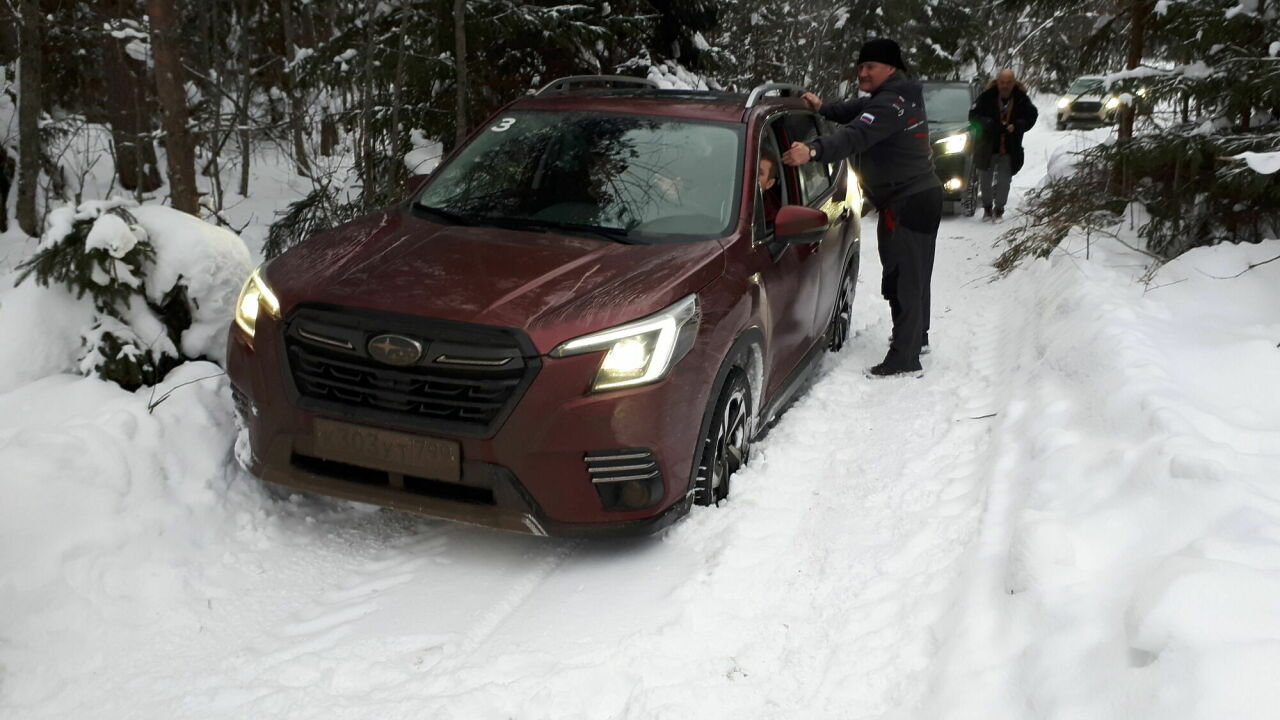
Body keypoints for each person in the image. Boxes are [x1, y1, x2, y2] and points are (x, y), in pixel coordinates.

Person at [782, 38, 942, 378]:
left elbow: (855, 134)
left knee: (903, 279)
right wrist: (823, 108)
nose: (863, 73)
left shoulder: (889, 105)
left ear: (891, 67)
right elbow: (855, 110)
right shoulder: (896, 96)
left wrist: (812, 151)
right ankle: (918, 337)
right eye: (860, 67)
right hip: (919, 196)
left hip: (906, 201)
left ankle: (905, 357)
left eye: (870, 67)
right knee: (916, 274)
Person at [968, 68, 1038, 220]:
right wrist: (987, 124)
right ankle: (987, 209)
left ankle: (999, 209)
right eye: (1002, 82)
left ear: (1014, 83)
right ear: (997, 82)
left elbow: (1032, 116)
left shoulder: (1021, 99)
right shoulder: (986, 97)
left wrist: (1018, 125)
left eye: (1008, 82)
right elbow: (973, 116)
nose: (1005, 86)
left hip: (1010, 146)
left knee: (1004, 180)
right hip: (987, 146)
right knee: (985, 179)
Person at [758, 151, 781, 225]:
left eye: (759, 173)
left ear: (769, 183)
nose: (751, 174)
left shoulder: (771, 218)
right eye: (750, 168)